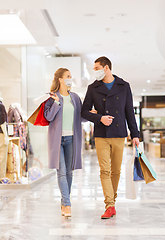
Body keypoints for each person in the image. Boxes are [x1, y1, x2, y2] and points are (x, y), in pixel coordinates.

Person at [81, 56, 140, 219]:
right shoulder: (93, 88)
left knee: (116, 171)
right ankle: (109, 205)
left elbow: (129, 112)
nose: (95, 72)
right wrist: (100, 118)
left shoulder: (124, 86)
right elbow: (84, 111)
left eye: (96, 68)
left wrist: (135, 134)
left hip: (119, 133)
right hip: (101, 134)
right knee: (104, 170)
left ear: (106, 68)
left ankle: (111, 202)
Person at [44, 68, 85, 218]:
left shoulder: (75, 97)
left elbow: (80, 117)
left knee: (69, 172)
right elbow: (48, 117)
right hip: (57, 141)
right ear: (60, 79)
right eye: (68, 76)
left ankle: (63, 201)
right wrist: (55, 103)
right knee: (61, 172)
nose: (70, 78)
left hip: (72, 139)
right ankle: (67, 205)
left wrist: (91, 115)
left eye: (70, 76)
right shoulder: (52, 97)